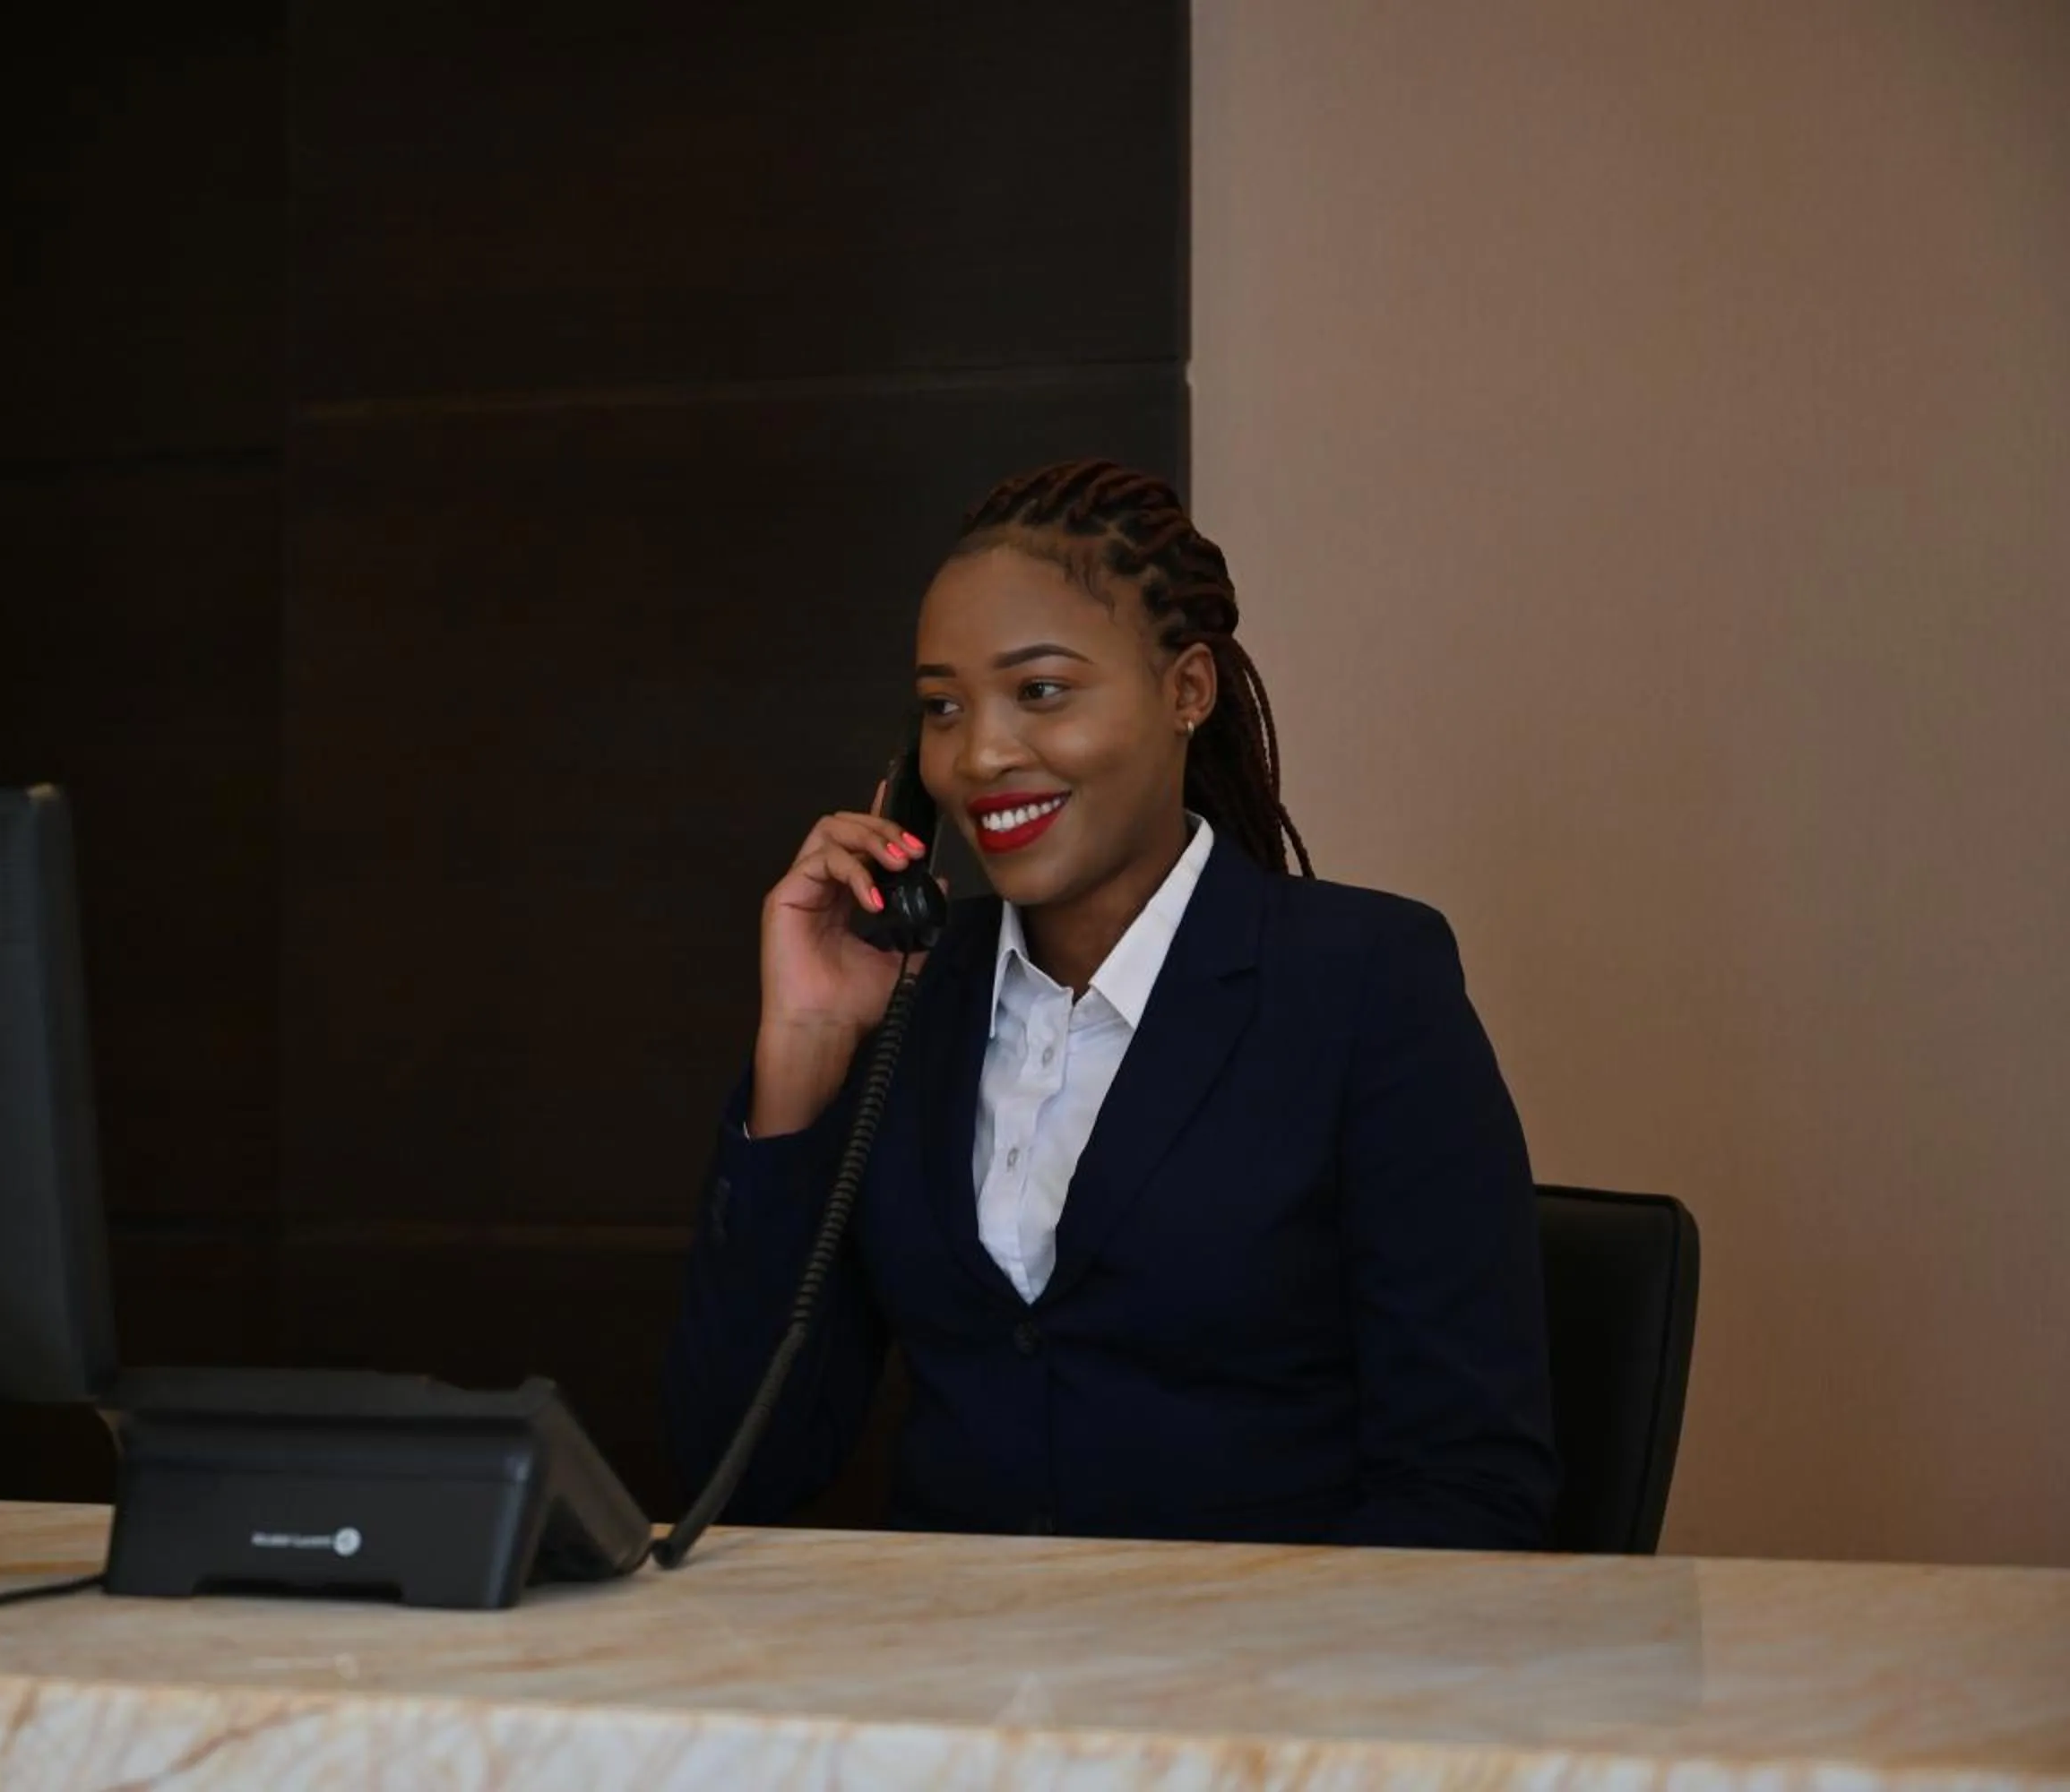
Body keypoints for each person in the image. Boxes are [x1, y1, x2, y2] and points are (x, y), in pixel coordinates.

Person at [663, 460, 1558, 1550]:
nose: (982, 753)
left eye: (1041, 690)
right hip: (957, 1689)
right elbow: (739, 1471)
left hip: (1258, 1691)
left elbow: (1469, 1481)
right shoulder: (912, 1010)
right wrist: (804, 1048)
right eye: (944, 707)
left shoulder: (1366, 983)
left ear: (1187, 690)